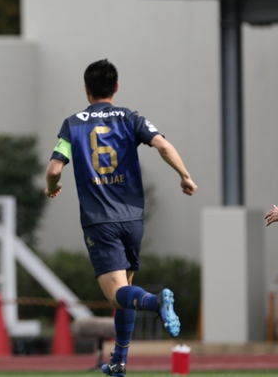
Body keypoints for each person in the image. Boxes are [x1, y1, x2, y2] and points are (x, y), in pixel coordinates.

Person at [44, 59, 197, 377]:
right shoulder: (130, 118)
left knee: (116, 296)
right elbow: (162, 145)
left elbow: (55, 168)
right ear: (116, 87)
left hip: (100, 220)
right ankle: (119, 360)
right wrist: (184, 175)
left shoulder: (73, 124)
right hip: (133, 218)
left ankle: (156, 302)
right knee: (126, 291)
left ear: (86, 90)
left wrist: (52, 187)